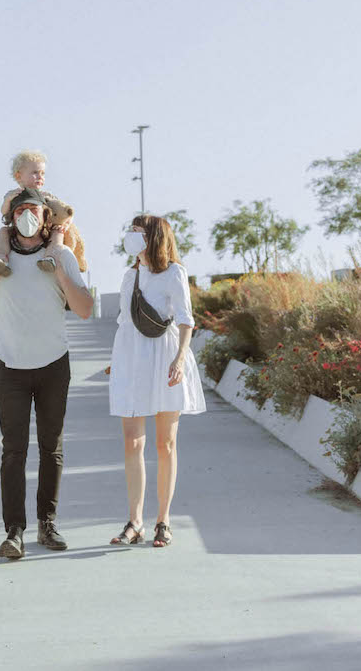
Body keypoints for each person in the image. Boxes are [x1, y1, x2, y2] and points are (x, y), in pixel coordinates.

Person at [0, 186, 94, 559]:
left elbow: (84, 309)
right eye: (20, 209)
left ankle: (47, 524)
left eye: (34, 210)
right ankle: (14, 531)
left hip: (54, 364)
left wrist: (59, 270)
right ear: (11, 218)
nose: (27, 215)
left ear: (45, 218)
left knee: (51, 448)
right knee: (13, 452)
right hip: (11, 367)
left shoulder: (63, 255)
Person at [107, 215, 206, 548]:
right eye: (131, 230)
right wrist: (116, 361)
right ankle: (135, 521)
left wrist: (180, 358)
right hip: (132, 361)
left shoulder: (174, 273)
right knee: (132, 442)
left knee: (166, 444)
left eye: (137, 232)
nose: (131, 237)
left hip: (165, 360)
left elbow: (185, 320)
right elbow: (124, 322)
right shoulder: (129, 275)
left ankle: (163, 520)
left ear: (153, 237)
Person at [0, 150, 73, 275]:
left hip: (44, 230)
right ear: (18, 176)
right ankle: (0, 258)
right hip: (19, 230)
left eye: (42, 173)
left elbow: (65, 212)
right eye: (35, 173)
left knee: (57, 234)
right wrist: (7, 201)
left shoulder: (46, 196)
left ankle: (50, 258)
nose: (40, 177)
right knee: (3, 232)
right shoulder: (13, 194)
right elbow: (4, 212)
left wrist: (65, 225)